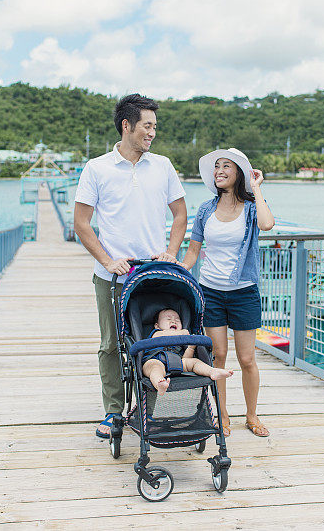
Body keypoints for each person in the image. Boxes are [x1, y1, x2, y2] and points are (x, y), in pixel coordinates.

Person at [73, 94, 188, 439]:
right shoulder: (97, 168)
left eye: (155, 126)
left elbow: (180, 214)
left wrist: (171, 251)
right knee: (111, 344)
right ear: (127, 126)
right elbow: (81, 222)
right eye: (147, 126)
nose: (152, 133)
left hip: (154, 276)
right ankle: (113, 411)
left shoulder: (163, 166)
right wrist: (108, 260)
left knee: (154, 340)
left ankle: (154, 405)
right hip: (113, 276)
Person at [181, 148, 275, 437]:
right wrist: (179, 270)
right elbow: (193, 251)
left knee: (247, 359)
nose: (219, 171)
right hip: (211, 290)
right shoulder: (206, 210)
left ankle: (251, 415)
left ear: (239, 174)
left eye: (226, 167)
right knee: (218, 356)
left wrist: (256, 188)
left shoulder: (250, 209)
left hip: (243, 292)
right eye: (216, 167)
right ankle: (221, 415)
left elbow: (267, 224)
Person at [143, 308, 234, 395]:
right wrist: (181, 333)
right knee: (155, 368)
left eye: (178, 320)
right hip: (155, 359)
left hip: (178, 362)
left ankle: (212, 371)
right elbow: (160, 336)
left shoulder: (182, 341)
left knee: (194, 362)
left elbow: (186, 358)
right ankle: (159, 383)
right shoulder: (157, 333)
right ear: (157, 325)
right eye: (168, 319)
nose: (173, 321)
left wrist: (190, 347)